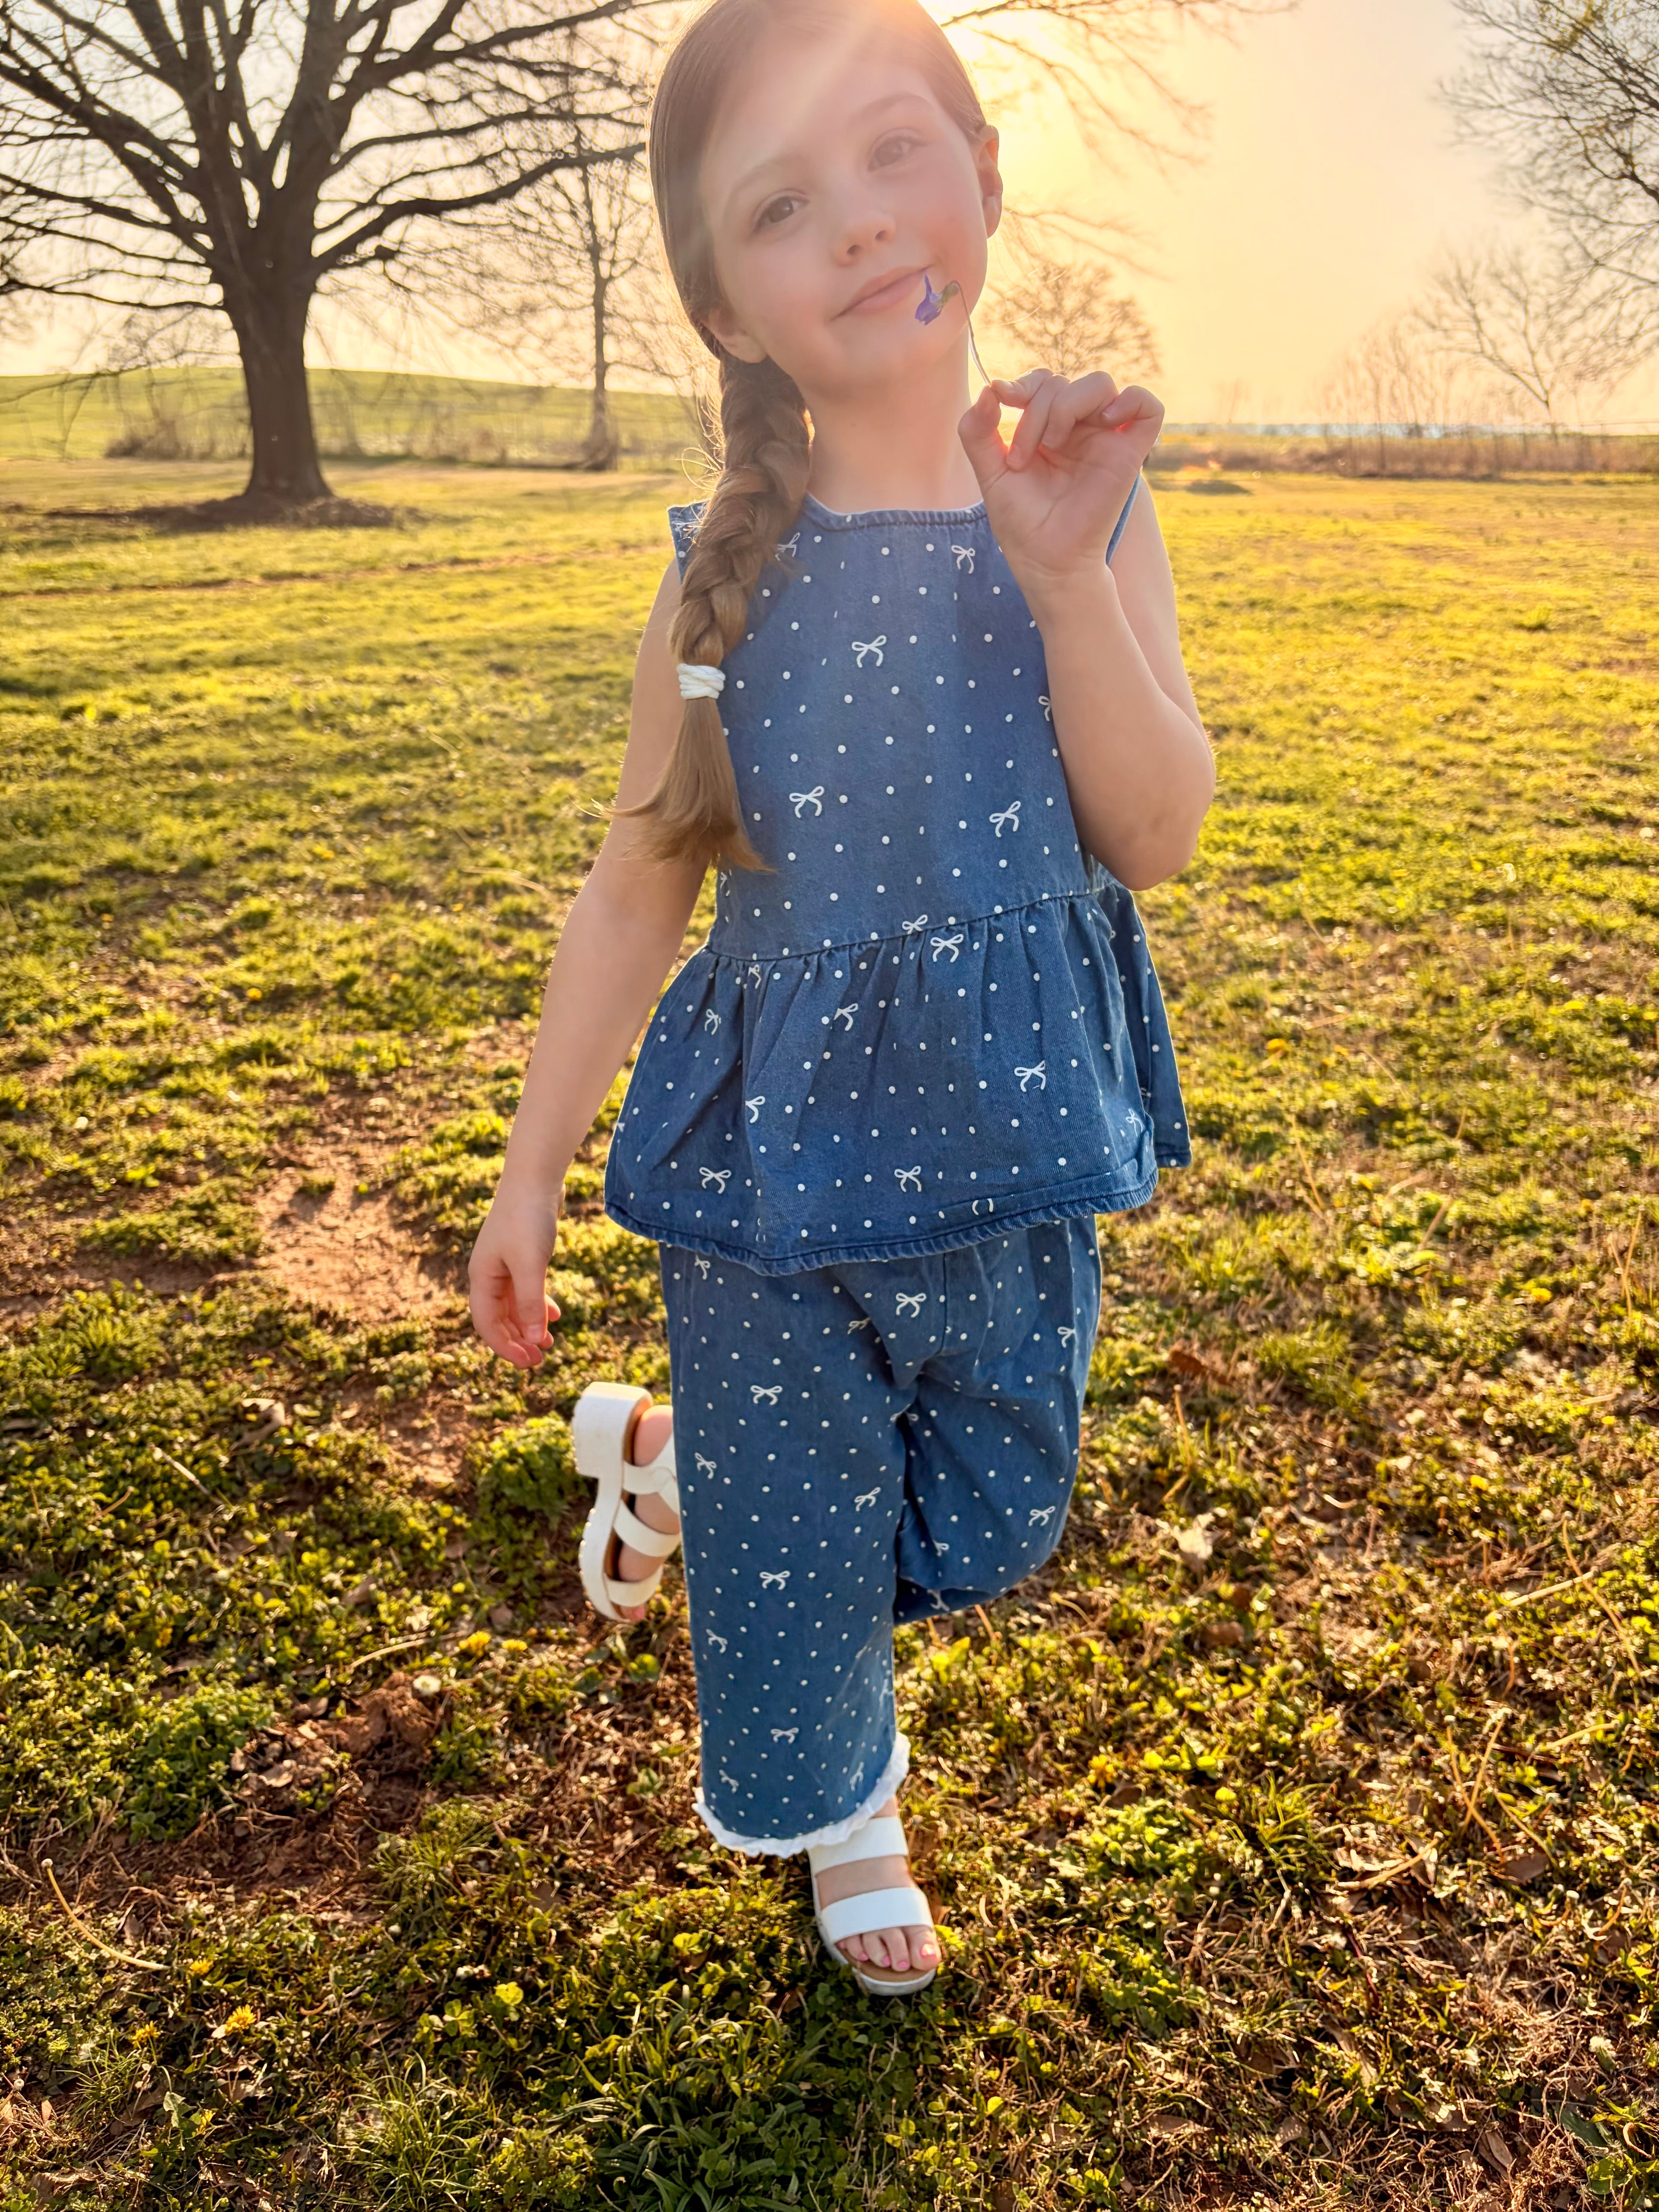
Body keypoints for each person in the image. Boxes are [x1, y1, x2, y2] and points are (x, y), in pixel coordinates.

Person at [468, 0, 1212, 1997]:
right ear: (728, 304)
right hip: (781, 1171)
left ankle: (670, 1464)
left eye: (898, 154)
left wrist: (1065, 576)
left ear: (986, 172)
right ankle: (851, 1801)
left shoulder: (1089, 502)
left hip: (1015, 1130)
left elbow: (1155, 833)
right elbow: (635, 888)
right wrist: (525, 1172)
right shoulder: (726, 570)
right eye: (787, 203)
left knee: (987, 1516)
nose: (865, 224)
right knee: (809, 1586)